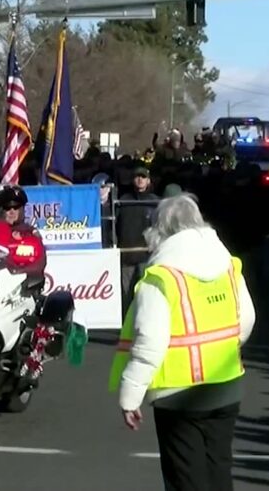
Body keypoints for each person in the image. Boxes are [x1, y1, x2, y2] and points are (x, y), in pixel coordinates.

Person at [110, 194, 256, 491]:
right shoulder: (228, 264)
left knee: (185, 478)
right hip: (226, 384)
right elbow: (246, 321)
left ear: (159, 229)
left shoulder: (162, 276)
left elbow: (150, 341)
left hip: (177, 395)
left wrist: (130, 396)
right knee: (218, 469)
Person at [118, 167, 159, 313]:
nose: (140, 180)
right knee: (126, 296)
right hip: (126, 256)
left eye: (143, 177)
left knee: (148, 294)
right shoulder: (123, 201)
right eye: (137, 177)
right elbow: (115, 226)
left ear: (148, 180)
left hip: (147, 257)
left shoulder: (156, 202)